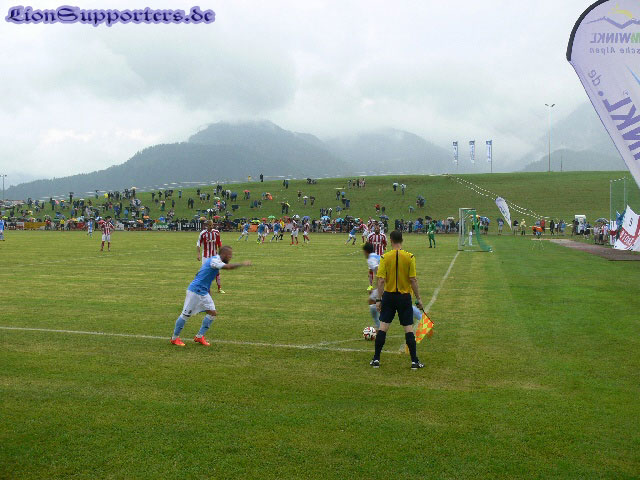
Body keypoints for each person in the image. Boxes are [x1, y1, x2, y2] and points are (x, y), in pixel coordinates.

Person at [171, 246, 252, 347]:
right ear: (224, 254)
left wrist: (208, 289)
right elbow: (228, 267)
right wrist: (242, 264)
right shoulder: (215, 261)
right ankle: (174, 338)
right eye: (229, 255)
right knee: (185, 315)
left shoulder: (214, 260)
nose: (231, 257)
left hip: (203, 292)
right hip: (195, 291)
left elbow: (200, 274)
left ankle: (199, 336)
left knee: (212, 313)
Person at [371, 230, 424, 370]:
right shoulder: (410, 257)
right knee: (408, 329)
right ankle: (414, 361)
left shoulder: (385, 257)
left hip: (388, 296)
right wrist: (418, 298)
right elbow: (413, 279)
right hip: (404, 297)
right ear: (402, 240)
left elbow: (381, 280)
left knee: (383, 327)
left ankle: (376, 359)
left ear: (390, 240)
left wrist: (378, 299)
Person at [197, 220, 224, 294]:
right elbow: (198, 244)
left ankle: (219, 288)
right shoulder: (203, 233)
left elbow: (219, 244)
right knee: (205, 272)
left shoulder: (216, 232)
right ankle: (205, 288)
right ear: (206, 226)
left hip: (214, 255)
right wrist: (198, 254)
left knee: (217, 271)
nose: (211, 226)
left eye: (212, 225)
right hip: (205, 256)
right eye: (209, 225)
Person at [363, 243, 381, 330]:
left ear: (366, 251)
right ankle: (379, 325)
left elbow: (378, 271)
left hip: (386, 283)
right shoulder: (375, 256)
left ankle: (379, 326)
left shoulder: (370, 259)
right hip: (390, 280)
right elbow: (372, 271)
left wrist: (378, 287)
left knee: (372, 301)